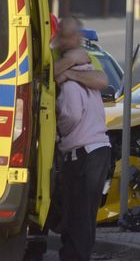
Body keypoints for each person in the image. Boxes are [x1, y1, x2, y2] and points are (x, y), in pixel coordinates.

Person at [54, 16, 111, 261]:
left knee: (77, 213)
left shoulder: (79, 71)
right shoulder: (66, 59)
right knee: (85, 215)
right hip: (99, 149)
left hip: (83, 153)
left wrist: (59, 131)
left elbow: (72, 113)